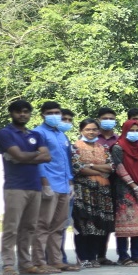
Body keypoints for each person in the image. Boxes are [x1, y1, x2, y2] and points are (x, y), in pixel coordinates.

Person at [0, 100, 51, 275]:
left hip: (34, 186)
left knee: (29, 227)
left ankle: (26, 264)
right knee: (11, 227)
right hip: (15, 187)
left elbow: (47, 157)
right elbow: (18, 155)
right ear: (11, 113)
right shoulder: (5, 133)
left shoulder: (36, 134)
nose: (22, 115)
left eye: (26, 112)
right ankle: (8, 264)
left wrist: (24, 157)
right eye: (18, 112)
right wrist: (35, 154)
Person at [32, 101, 79, 273]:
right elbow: (38, 160)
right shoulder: (38, 133)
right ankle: (39, 261)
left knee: (59, 225)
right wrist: (44, 183)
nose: (55, 115)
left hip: (64, 185)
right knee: (43, 224)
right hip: (49, 184)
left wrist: (71, 182)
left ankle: (56, 260)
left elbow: (66, 161)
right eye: (50, 112)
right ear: (42, 114)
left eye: (57, 112)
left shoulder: (61, 134)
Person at [71, 118, 115, 268]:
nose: (91, 132)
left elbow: (111, 167)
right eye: (88, 129)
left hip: (103, 192)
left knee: (99, 225)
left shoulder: (103, 147)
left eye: (94, 129)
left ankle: (94, 257)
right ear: (81, 131)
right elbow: (79, 168)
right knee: (84, 224)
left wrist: (90, 165)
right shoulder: (75, 147)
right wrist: (97, 168)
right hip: (84, 192)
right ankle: (83, 257)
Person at [111, 119, 138, 267]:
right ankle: (123, 256)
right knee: (124, 224)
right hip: (124, 189)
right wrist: (133, 185)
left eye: (137, 131)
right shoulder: (117, 148)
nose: (134, 133)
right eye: (131, 131)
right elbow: (119, 167)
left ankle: (137, 255)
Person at [94, 107, 118, 266]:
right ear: (98, 120)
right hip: (95, 183)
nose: (108, 121)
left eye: (111, 118)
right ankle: (89, 255)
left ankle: (102, 255)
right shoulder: (93, 137)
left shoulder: (120, 139)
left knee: (109, 220)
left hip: (116, 183)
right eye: (105, 118)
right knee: (93, 219)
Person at [58, 108, 75, 265]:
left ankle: (60, 257)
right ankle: (49, 258)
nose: (67, 123)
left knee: (62, 224)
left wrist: (71, 184)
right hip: (51, 186)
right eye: (64, 119)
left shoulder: (64, 138)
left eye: (70, 120)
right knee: (48, 224)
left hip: (67, 186)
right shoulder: (42, 135)